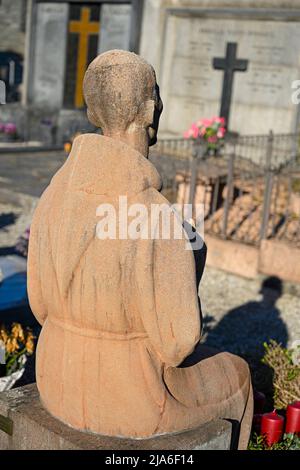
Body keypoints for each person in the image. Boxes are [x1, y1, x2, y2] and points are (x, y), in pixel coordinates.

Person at [27, 51, 252, 449]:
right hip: (131, 399)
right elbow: (177, 344)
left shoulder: (51, 196)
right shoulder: (154, 215)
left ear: (93, 111)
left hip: (53, 375)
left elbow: (39, 306)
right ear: (150, 109)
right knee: (238, 374)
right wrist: (190, 259)